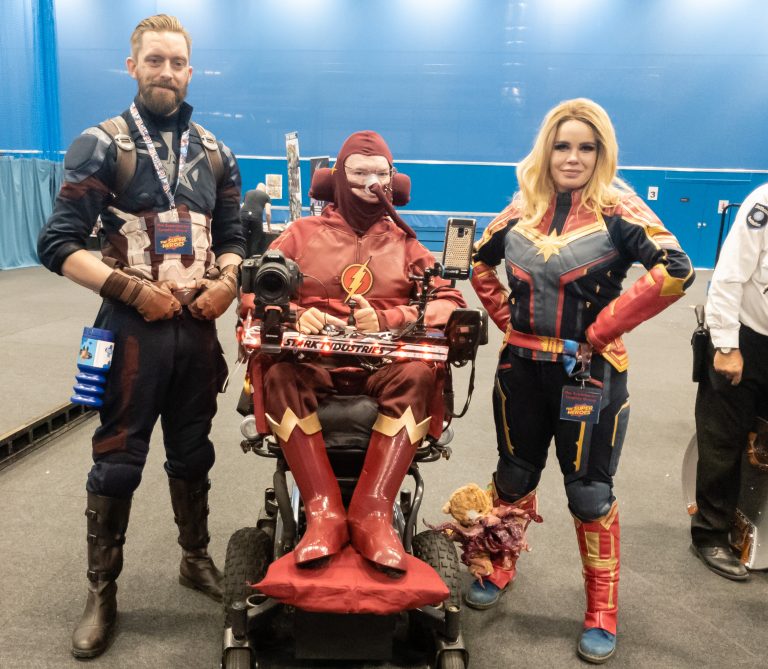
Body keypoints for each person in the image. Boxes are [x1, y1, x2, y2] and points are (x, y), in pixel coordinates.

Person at [37, 14, 245, 659]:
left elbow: (235, 238)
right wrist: (130, 292)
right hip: (130, 333)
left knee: (194, 451)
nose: (166, 72)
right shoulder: (102, 145)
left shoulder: (216, 152)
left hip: (197, 331)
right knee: (117, 460)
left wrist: (228, 282)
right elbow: (56, 244)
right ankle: (101, 592)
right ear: (133, 66)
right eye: (155, 60)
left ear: (191, 70)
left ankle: (195, 558)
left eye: (177, 62)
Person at [469, 98, 694, 663]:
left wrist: (602, 329)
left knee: (589, 494)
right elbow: (475, 260)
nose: (572, 157)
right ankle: (499, 563)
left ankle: (601, 609)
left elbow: (676, 270)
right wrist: (505, 318)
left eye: (586, 147)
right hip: (520, 370)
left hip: (590, 373)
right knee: (513, 477)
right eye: (562, 146)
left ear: (601, 153)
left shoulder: (619, 208)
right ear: (546, 150)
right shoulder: (521, 207)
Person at [259, 130, 466, 573]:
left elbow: (450, 301)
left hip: (386, 366)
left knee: (419, 376)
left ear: (393, 180)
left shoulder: (407, 244)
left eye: (380, 174)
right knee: (279, 376)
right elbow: (255, 292)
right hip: (311, 362)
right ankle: (323, 513)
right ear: (337, 176)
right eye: (358, 172)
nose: (371, 182)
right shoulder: (299, 235)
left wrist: (391, 318)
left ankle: (373, 514)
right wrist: (295, 314)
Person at [691, 155, 768, 580]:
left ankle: (751, 534)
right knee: (723, 442)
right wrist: (725, 345)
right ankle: (710, 534)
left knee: (767, 449)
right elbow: (729, 276)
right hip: (745, 339)